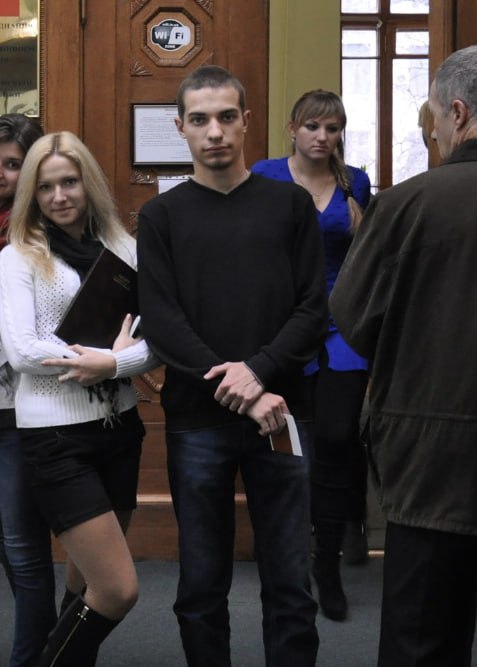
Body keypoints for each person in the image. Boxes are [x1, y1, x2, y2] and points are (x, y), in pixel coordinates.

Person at [137, 65, 328, 666]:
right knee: (200, 586)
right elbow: (163, 321)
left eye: (225, 117)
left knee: (290, 583)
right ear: (181, 128)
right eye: (199, 120)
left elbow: (312, 308)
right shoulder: (161, 216)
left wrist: (261, 373)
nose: (214, 131)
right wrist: (241, 385)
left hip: (282, 413)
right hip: (198, 421)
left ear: (246, 121)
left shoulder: (289, 205)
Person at [330, 45, 477, 667]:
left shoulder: (406, 205)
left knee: (421, 641)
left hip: (429, 459)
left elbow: (354, 317)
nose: (435, 133)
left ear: (458, 113)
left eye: (435, 118)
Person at [0, 130, 159, 666]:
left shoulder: (125, 249)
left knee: (87, 585)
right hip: (55, 438)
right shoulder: (18, 257)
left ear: (88, 184)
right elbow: (23, 350)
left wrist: (116, 364)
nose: (59, 196)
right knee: (118, 589)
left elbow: (155, 341)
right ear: (32, 194)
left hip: (120, 429)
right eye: (46, 187)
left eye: (69, 182)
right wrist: (102, 358)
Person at [252, 89, 371, 621]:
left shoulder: (355, 182)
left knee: (339, 438)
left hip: (343, 327)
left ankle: (328, 562)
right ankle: (289, 557)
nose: (323, 137)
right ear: (292, 129)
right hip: (285, 325)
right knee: (289, 447)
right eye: (313, 127)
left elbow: (368, 257)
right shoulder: (265, 176)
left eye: (332, 128)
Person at [0, 113, 58, 667]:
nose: (1, 174)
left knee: (23, 547)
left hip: (22, 409)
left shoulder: (44, 239)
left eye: (13, 164)